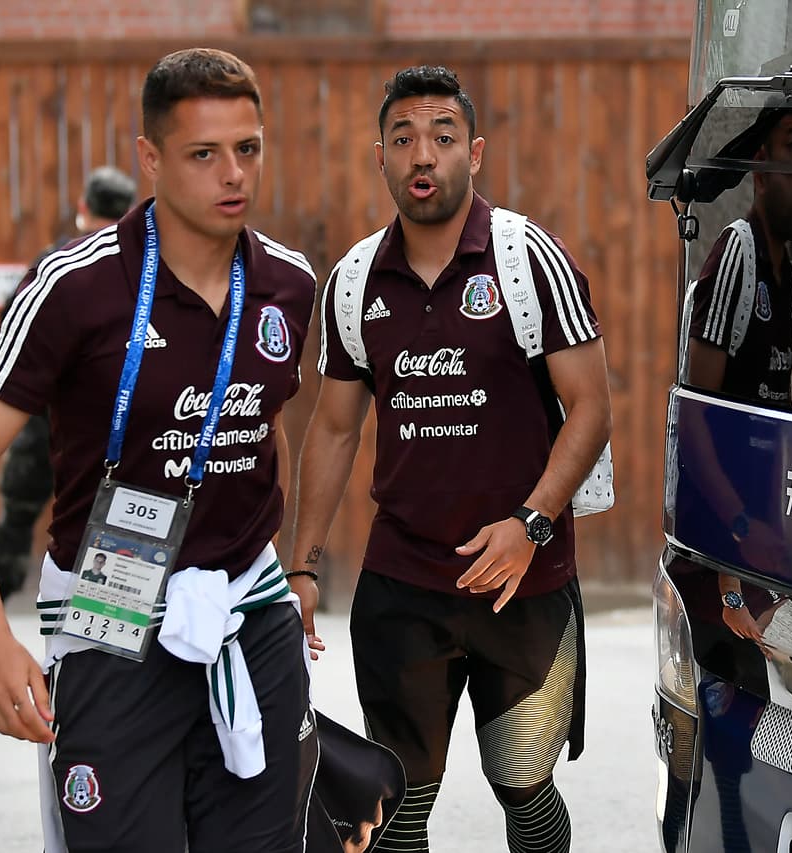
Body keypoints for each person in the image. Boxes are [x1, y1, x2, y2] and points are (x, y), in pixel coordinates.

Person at [0, 48, 321, 852]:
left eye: (248, 148)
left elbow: (266, 426)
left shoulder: (288, 281)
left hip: (250, 618)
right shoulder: (77, 285)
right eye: (203, 153)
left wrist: (291, 569)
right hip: (111, 616)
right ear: (151, 158)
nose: (232, 174)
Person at [290, 66, 612, 853]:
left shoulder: (528, 259)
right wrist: (299, 568)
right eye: (403, 140)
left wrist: (529, 524)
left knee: (526, 791)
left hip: (524, 584)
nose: (421, 155)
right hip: (403, 585)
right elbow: (332, 430)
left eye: (439, 137)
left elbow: (594, 408)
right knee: (395, 810)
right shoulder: (355, 280)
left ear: (474, 150)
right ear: (381, 158)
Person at [0, 165, 137, 663]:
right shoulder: (144, 263)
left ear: (83, 207)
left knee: (18, 521)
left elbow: (12, 341)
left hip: (41, 427)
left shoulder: (57, 263)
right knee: (114, 521)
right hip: (117, 429)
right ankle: (111, 632)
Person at [681, 103, 792, 647]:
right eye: (791, 147)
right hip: (725, 553)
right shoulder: (738, 252)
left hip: (759, 547)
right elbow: (696, 419)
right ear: (759, 167)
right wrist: (735, 548)